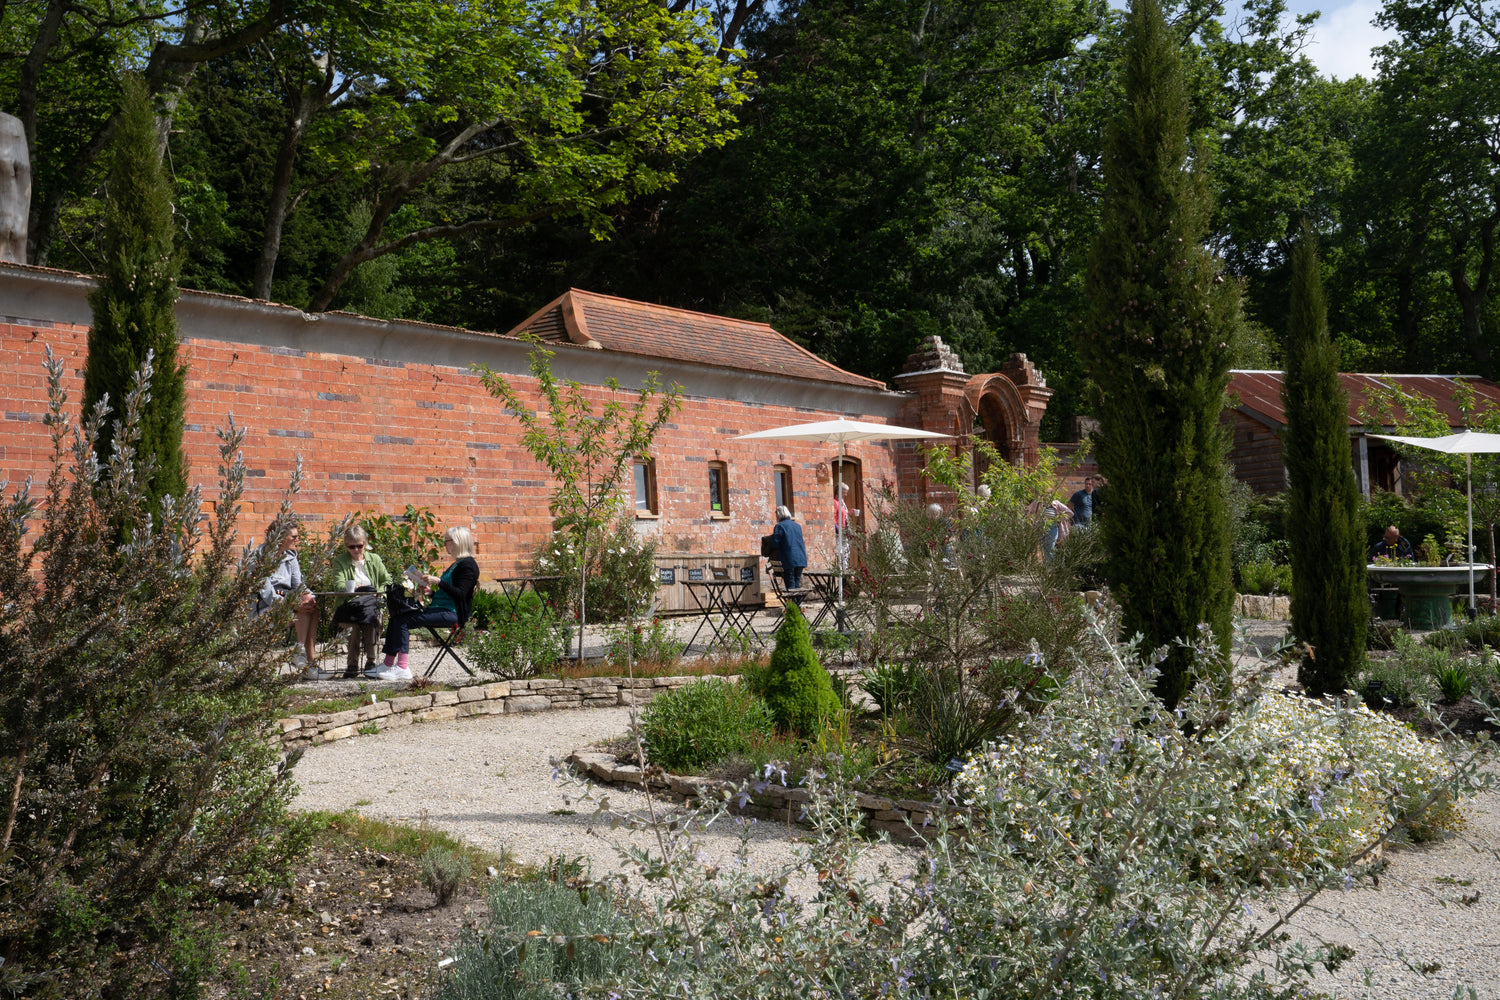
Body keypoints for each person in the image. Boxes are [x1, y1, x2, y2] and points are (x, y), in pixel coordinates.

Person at [373, 525, 479, 682]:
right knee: (396, 617)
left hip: (452, 613)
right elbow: (449, 594)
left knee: (402, 620)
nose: (444, 545)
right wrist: (432, 593)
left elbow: (461, 594)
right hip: (442, 609)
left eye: (447, 541)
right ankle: (388, 664)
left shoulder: (468, 565)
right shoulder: (457, 563)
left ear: (458, 542)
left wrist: (439, 581)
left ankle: (402, 667)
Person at [253, 519, 322, 677]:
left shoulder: (290, 557)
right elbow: (267, 593)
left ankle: (304, 658)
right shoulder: (261, 557)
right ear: (279, 537)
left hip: (287, 604)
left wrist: (309, 597)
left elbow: (299, 585)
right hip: (262, 609)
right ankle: (307, 664)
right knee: (302, 611)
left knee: (312, 609)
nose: (298, 539)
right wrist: (292, 605)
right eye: (294, 537)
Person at [330, 524, 393, 679]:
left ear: (365, 544)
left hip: (371, 602)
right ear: (346, 546)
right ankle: (352, 664)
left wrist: (380, 594)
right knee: (353, 626)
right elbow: (338, 584)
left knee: (370, 618)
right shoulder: (340, 561)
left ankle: (371, 662)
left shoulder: (375, 559)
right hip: (350, 603)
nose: (357, 550)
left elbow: (387, 579)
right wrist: (353, 588)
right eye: (352, 547)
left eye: (360, 546)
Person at [771, 505, 807, 589]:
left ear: (779, 515)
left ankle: (792, 602)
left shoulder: (780, 526)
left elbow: (775, 543)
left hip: (788, 559)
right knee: (796, 585)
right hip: (800, 559)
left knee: (790, 586)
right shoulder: (797, 526)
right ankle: (798, 602)